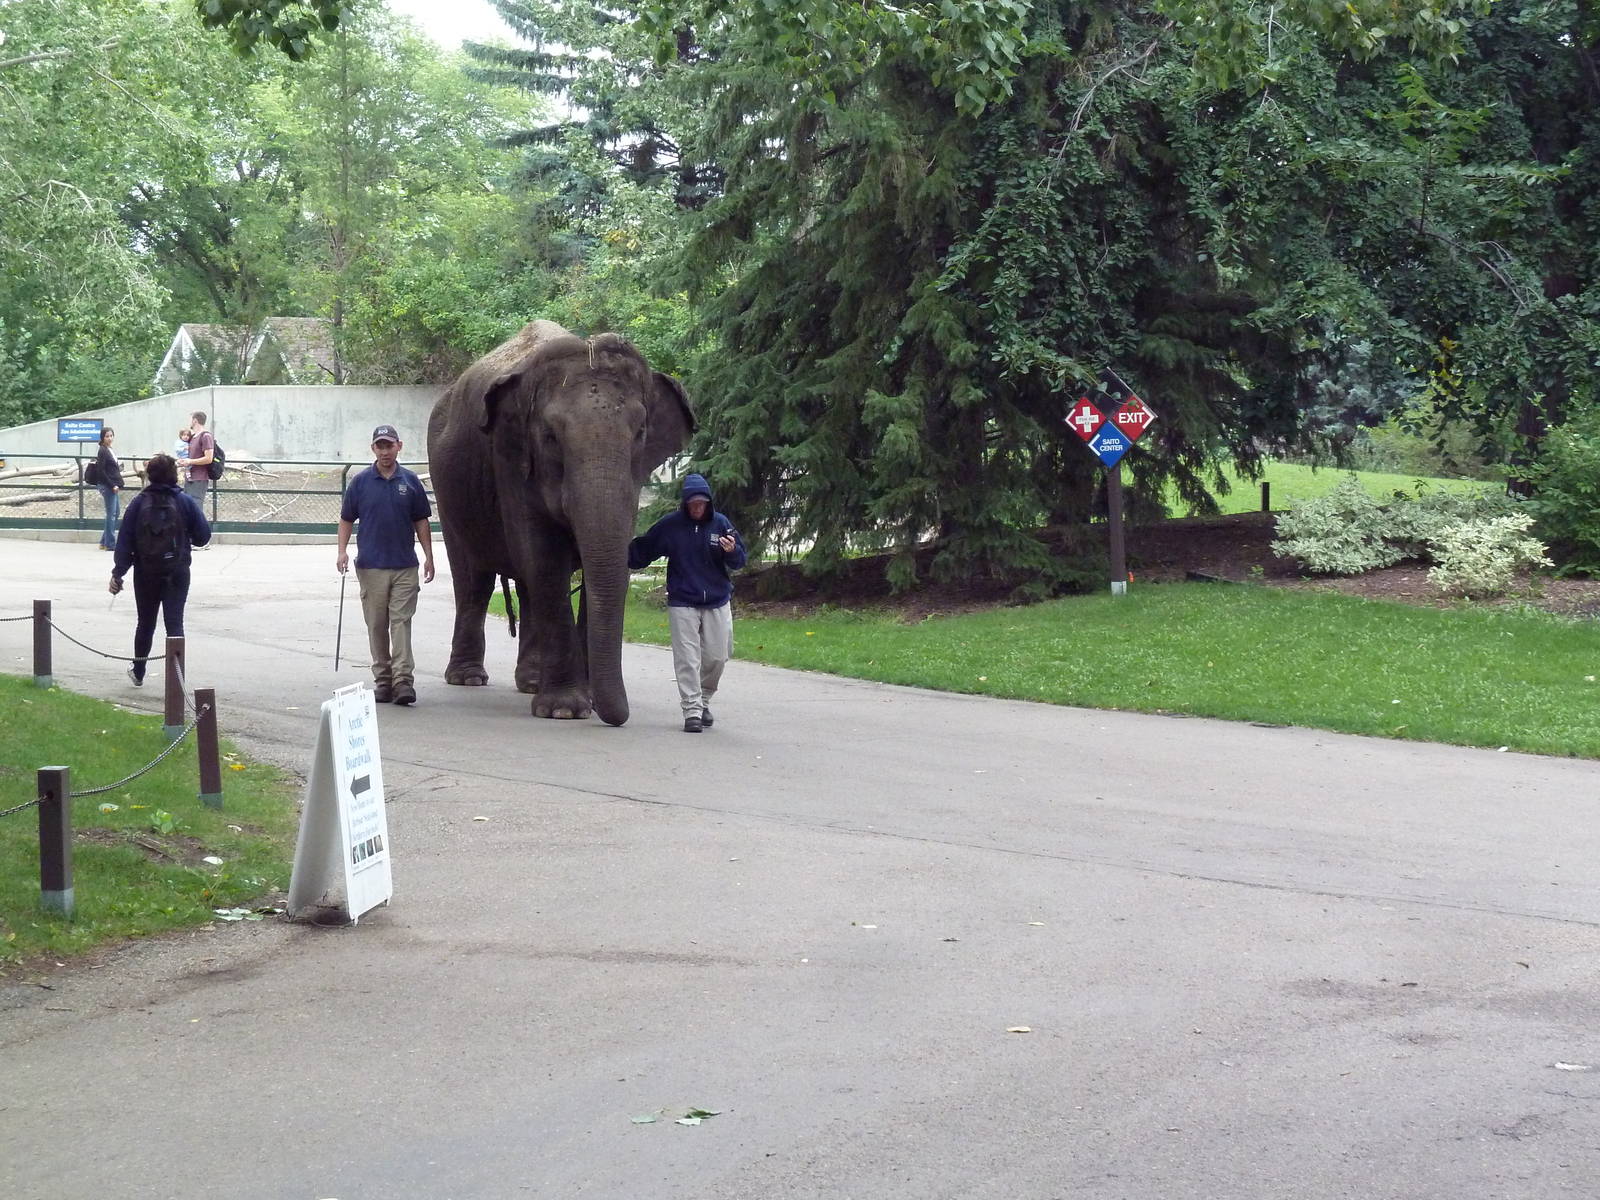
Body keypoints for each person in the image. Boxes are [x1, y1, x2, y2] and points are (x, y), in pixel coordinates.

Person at [627, 473, 747, 732]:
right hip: (683, 601)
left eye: (701, 503)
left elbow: (739, 560)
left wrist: (732, 551)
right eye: (692, 503)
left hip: (717, 600)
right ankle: (692, 711)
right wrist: (616, 553)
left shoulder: (720, 524)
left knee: (718, 656)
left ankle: (703, 700)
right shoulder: (671, 525)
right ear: (685, 503)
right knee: (687, 659)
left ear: (708, 503)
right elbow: (644, 549)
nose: (697, 507)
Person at [337, 424, 435, 706]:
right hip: (371, 566)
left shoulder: (412, 482)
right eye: (380, 446)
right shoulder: (360, 482)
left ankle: (403, 680)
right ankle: (383, 678)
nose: (385, 451)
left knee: (401, 621)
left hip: (405, 564)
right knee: (376, 624)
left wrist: (429, 556)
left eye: (389, 446)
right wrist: (341, 552)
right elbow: (346, 519)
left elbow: (421, 521)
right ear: (373, 449)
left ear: (399, 447)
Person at [108, 453, 211, 687]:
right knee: (175, 624)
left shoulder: (138, 503)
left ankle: (139, 672)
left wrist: (118, 573)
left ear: (150, 475)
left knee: (145, 623)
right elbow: (203, 537)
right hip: (178, 570)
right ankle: (176, 680)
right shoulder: (185, 501)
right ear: (173, 474)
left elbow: (125, 541)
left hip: (146, 572)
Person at [90, 426, 125, 551]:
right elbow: (101, 471)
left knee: (115, 513)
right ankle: (110, 543)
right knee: (111, 514)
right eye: (107, 436)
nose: (109, 438)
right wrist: (112, 485)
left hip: (112, 484)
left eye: (111, 436)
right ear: (102, 438)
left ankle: (104, 541)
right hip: (108, 485)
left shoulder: (109, 449)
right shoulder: (103, 450)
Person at [178, 410, 215, 505]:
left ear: (195, 420)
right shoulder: (193, 437)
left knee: (195, 507)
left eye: (190, 419)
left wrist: (190, 461)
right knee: (188, 508)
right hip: (189, 477)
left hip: (199, 479)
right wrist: (184, 461)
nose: (189, 422)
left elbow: (209, 458)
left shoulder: (206, 436)